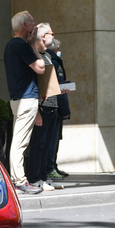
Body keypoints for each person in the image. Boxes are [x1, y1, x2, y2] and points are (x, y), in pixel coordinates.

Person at [4, 11, 45, 194]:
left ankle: (17, 179)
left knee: (18, 141)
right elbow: (40, 67)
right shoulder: (22, 45)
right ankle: (20, 180)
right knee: (20, 143)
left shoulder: (10, 45)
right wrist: (34, 44)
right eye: (31, 22)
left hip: (17, 98)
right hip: (26, 99)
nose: (34, 25)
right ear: (24, 26)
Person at [26, 23, 63, 191]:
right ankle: (35, 178)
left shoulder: (47, 55)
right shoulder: (36, 56)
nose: (53, 36)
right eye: (51, 33)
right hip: (42, 107)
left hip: (52, 106)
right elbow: (33, 83)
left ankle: (44, 177)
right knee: (38, 144)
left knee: (47, 144)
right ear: (43, 37)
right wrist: (37, 111)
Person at [46, 38, 71, 179]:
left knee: (55, 139)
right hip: (54, 106)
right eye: (59, 48)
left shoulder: (54, 61)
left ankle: (52, 166)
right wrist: (65, 110)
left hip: (56, 105)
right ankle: (50, 168)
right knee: (52, 140)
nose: (60, 51)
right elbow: (56, 87)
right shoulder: (54, 62)